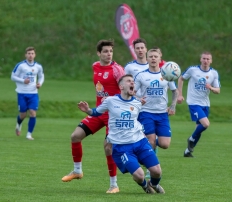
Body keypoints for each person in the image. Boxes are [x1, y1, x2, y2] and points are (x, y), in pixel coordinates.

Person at [77, 74, 165, 194]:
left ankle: (153, 184)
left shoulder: (138, 103)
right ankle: (145, 186)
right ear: (121, 86)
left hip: (140, 142)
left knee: (157, 172)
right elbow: (96, 112)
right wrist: (87, 110)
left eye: (133, 81)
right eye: (129, 81)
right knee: (139, 176)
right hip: (122, 147)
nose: (132, 83)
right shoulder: (110, 101)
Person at [62, 39, 125, 194]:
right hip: (98, 112)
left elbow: (127, 89)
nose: (109, 54)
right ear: (98, 53)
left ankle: (113, 185)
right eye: (105, 51)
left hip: (114, 116)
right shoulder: (95, 66)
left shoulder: (117, 70)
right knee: (75, 136)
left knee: (108, 147)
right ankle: (77, 171)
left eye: (111, 51)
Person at [177, 51, 220, 157]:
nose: (206, 61)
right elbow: (181, 78)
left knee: (199, 129)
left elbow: (218, 90)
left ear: (211, 61)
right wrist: (180, 94)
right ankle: (191, 139)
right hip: (193, 102)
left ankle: (188, 151)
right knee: (206, 124)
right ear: (200, 59)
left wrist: (211, 88)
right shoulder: (192, 70)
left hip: (205, 103)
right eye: (204, 58)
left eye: (208, 59)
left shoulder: (213, 73)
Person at [134, 48, 178, 152]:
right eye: (151, 56)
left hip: (162, 113)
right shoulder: (141, 75)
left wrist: (173, 105)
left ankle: (145, 142)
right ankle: (150, 167)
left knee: (165, 144)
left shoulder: (167, 74)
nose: (153, 58)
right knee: (151, 140)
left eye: (155, 56)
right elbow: (132, 93)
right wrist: (138, 99)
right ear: (147, 59)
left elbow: (175, 91)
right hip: (146, 112)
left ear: (160, 59)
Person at [11, 47, 44, 140]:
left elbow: (41, 76)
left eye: (32, 53)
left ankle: (29, 134)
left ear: (35, 55)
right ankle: (18, 124)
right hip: (22, 93)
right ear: (26, 55)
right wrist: (22, 81)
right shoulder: (20, 66)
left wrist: (39, 84)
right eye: (29, 53)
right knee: (23, 115)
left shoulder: (38, 66)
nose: (30, 55)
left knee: (33, 113)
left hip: (33, 93)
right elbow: (13, 77)